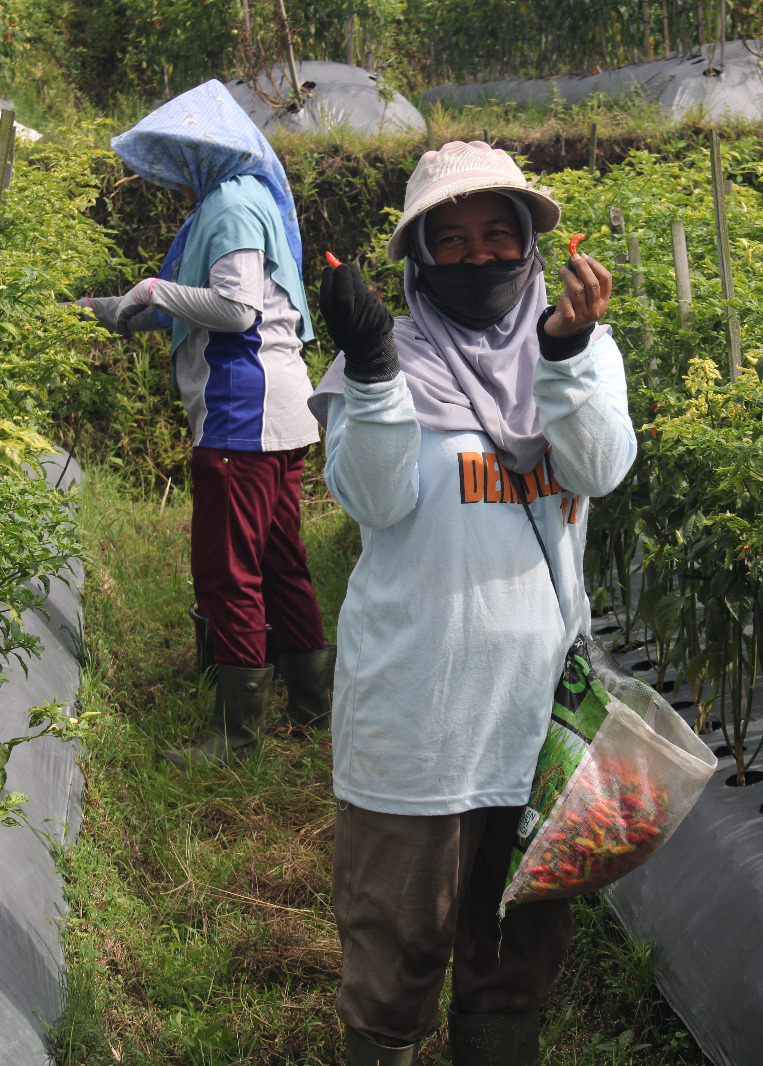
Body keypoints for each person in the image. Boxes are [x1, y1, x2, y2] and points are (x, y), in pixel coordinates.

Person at [309, 141, 635, 1066]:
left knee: (512, 958)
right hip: (417, 724)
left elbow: (598, 469)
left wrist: (564, 356)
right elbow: (372, 501)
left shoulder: (578, 348)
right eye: (449, 242)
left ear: (532, 244)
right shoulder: (389, 360)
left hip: (535, 721)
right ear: (417, 257)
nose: (477, 258)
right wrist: (372, 366)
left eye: (498, 235)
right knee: (395, 958)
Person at [87, 80, 334, 765]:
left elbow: (234, 310)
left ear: (210, 152)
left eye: (184, 154)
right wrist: (123, 309)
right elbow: (224, 305)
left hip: (240, 418)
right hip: (280, 412)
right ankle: (313, 707)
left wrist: (150, 290)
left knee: (229, 574)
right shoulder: (252, 200)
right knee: (282, 561)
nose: (176, 172)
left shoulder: (228, 205)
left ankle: (236, 738)